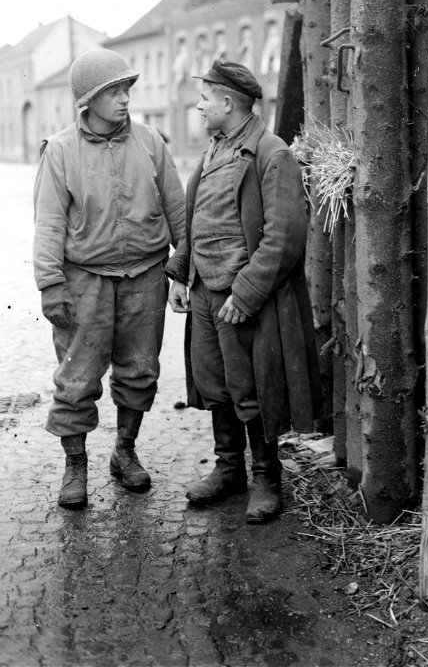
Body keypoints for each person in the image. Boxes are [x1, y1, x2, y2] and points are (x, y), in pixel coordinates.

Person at [166, 59, 322, 525]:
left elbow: (285, 237)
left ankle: (267, 478)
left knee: (252, 389)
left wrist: (247, 293)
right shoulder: (215, 150)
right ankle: (229, 468)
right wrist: (181, 274)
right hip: (206, 292)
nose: (199, 106)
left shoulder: (271, 154)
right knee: (216, 385)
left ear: (229, 103)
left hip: (243, 300)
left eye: (205, 98)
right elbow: (198, 219)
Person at [33, 49, 185, 510]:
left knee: (140, 371)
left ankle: (124, 450)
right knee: (76, 379)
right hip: (85, 282)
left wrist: (182, 270)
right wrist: (50, 284)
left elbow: (178, 207)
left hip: (146, 275)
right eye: (114, 92)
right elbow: (48, 224)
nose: (124, 100)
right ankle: (75, 466)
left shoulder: (150, 142)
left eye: (126, 91)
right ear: (89, 100)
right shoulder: (60, 150)